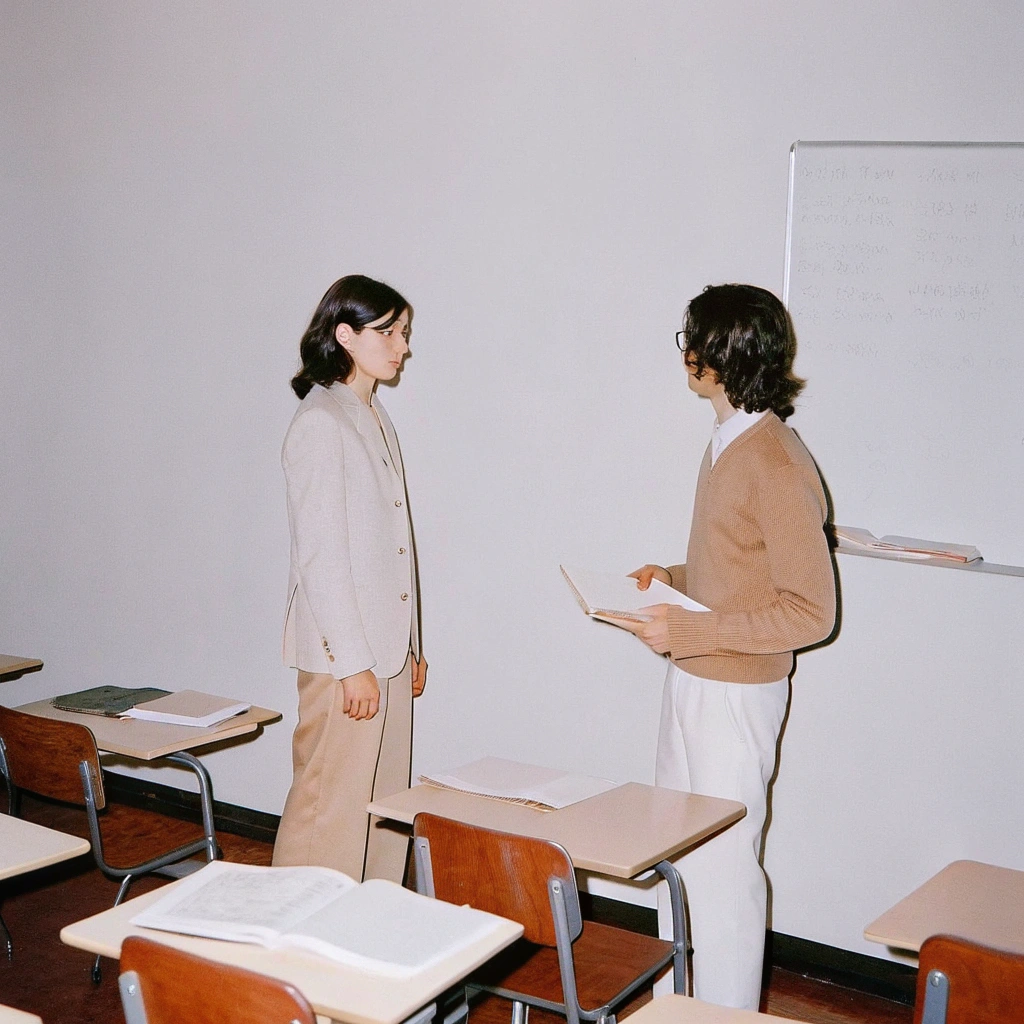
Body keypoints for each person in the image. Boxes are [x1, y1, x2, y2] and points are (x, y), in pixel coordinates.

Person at [622, 283, 836, 1010]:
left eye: (695, 341)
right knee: (675, 857)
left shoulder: (775, 460)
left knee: (723, 872)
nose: (685, 354)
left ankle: (726, 1016)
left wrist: (689, 628)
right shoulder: (726, 440)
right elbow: (740, 570)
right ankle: (676, 1010)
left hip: (737, 693)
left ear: (725, 355)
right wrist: (672, 578)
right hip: (694, 675)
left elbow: (810, 611)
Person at [273, 274, 426, 883]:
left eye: (404, 333)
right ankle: (296, 931)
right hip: (348, 659)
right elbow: (322, 558)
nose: (402, 347)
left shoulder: (373, 415)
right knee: (326, 813)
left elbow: (395, 546)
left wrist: (412, 647)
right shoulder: (320, 421)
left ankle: (370, 925)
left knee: (382, 812)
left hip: (386, 654)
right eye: (388, 332)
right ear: (344, 335)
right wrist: (352, 664)